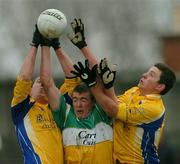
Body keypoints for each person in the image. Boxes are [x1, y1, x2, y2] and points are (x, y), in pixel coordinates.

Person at [71, 34, 176, 164]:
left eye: (151, 75)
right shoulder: (134, 91)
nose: (144, 75)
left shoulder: (153, 108)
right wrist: (83, 47)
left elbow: (112, 110)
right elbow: (111, 99)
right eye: (147, 72)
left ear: (160, 86)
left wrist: (94, 84)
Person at [40, 19, 114, 164]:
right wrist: (47, 46)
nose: (78, 104)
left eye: (83, 100)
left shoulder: (102, 113)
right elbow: (47, 84)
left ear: (93, 102)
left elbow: (101, 74)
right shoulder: (66, 115)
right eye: (75, 100)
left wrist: (83, 46)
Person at [10, 25, 64, 164]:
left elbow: (70, 82)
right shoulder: (21, 110)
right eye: (38, 83)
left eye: (45, 85)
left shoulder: (59, 110)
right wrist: (35, 45)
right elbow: (24, 78)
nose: (43, 86)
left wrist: (55, 47)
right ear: (30, 89)